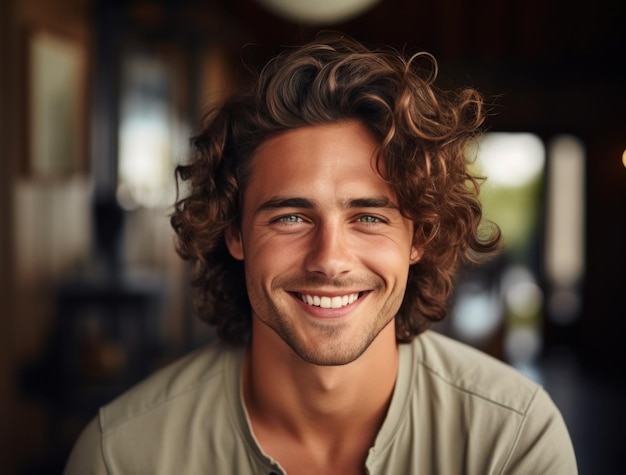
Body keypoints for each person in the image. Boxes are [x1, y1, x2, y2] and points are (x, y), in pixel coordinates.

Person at [64, 32, 577, 474]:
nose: (330, 260)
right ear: (235, 233)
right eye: (291, 217)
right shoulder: (122, 456)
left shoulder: (512, 440)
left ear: (418, 237)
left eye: (369, 217)